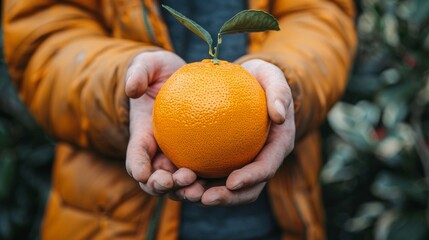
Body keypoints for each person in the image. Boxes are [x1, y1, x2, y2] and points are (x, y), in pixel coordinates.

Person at [3, 0, 356, 239]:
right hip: (106, 219)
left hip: (275, 219)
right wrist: (124, 88)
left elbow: (320, 17)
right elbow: (44, 40)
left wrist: (288, 84)